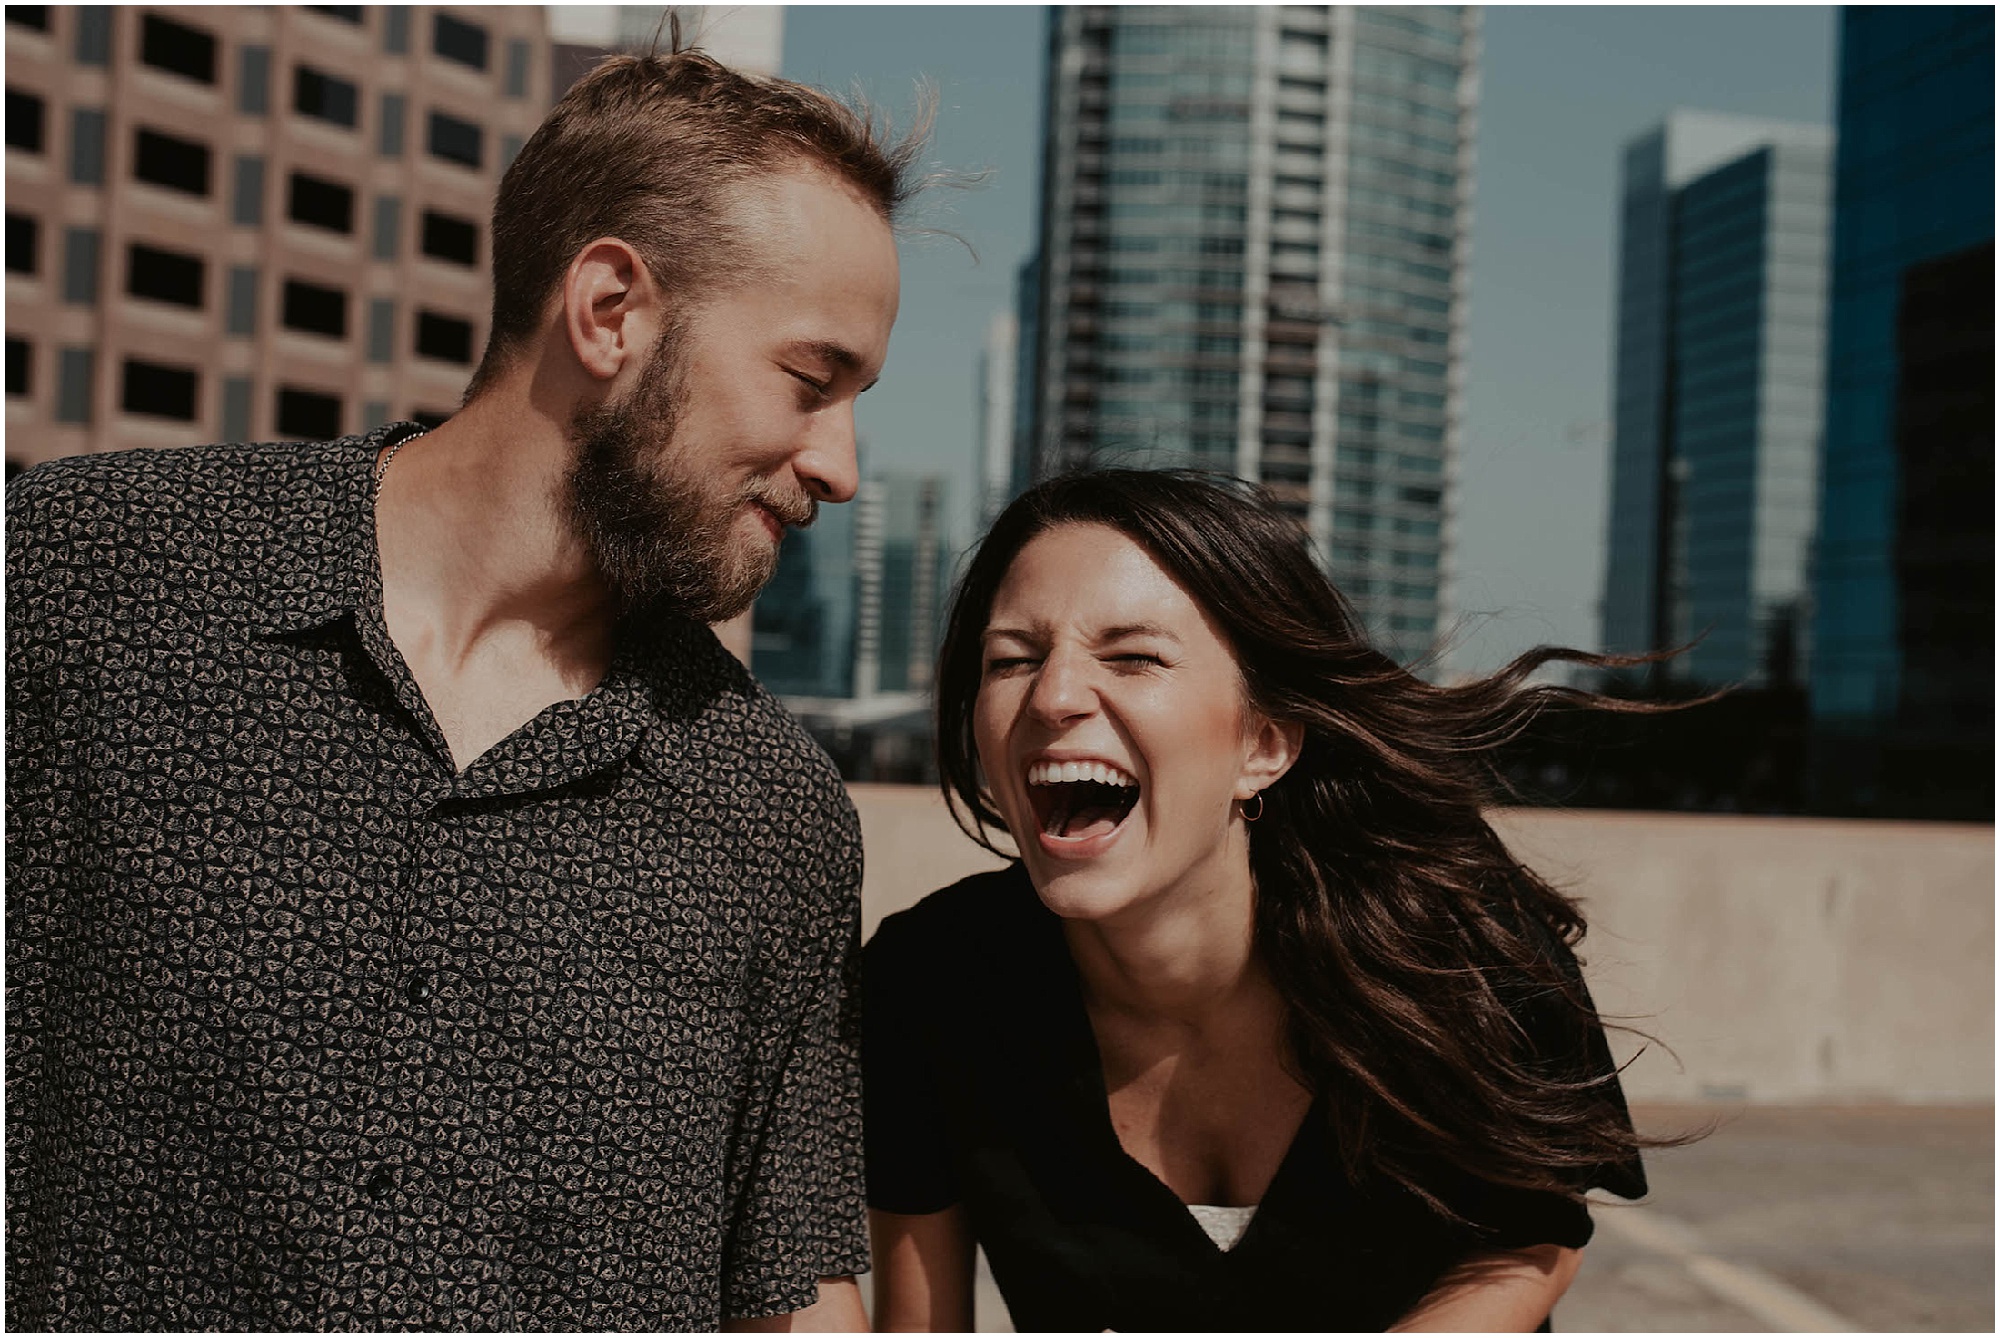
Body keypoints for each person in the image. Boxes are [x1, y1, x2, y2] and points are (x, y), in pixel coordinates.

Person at [7, 39, 919, 1330]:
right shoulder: (89, 577)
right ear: (612, 310)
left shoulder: (772, 809)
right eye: (810, 381)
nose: (839, 466)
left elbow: (796, 1289)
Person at [864, 470, 1666, 1332]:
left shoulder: (1457, 939)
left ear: (1266, 742)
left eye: (1133, 656)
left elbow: (1537, 1233)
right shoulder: (930, 982)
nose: (1053, 696)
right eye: (1012, 659)